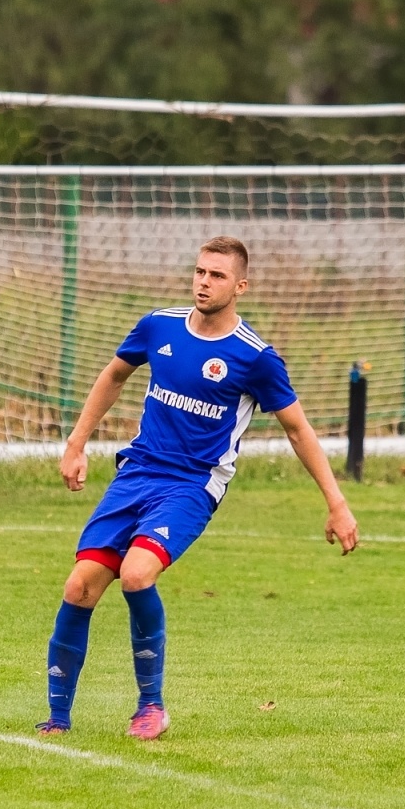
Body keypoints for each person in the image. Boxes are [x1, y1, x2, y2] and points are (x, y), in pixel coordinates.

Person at [40, 236, 359, 740]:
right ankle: (57, 720)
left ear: (240, 286)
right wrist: (76, 443)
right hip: (137, 473)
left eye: (215, 275)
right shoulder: (159, 326)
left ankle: (151, 707)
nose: (203, 282)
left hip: (193, 484)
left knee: (137, 575)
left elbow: (298, 429)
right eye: (199, 272)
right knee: (78, 586)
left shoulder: (255, 357)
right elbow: (114, 374)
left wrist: (336, 503)